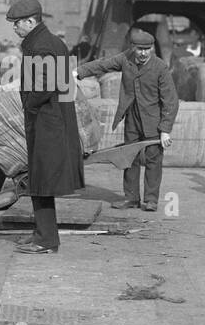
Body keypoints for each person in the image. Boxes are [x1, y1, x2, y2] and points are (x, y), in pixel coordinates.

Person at [8, 0, 85, 254]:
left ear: (31, 21)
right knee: (40, 181)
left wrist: (29, 105)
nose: (15, 28)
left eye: (17, 23)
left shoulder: (40, 46)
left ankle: (47, 240)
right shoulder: (52, 42)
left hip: (45, 121)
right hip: (53, 118)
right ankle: (42, 233)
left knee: (42, 180)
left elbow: (42, 86)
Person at [76, 28, 179, 212]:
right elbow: (103, 64)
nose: (143, 53)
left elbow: (170, 100)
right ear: (133, 48)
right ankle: (131, 198)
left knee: (153, 160)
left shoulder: (160, 67)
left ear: (152, 49)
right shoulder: (125, 59)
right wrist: (79, 72)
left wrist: (165, 129)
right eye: (139, 49)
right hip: (132, 117)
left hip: (153, 121)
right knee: (129, 158)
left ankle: (151, 200)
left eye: (147, 49)